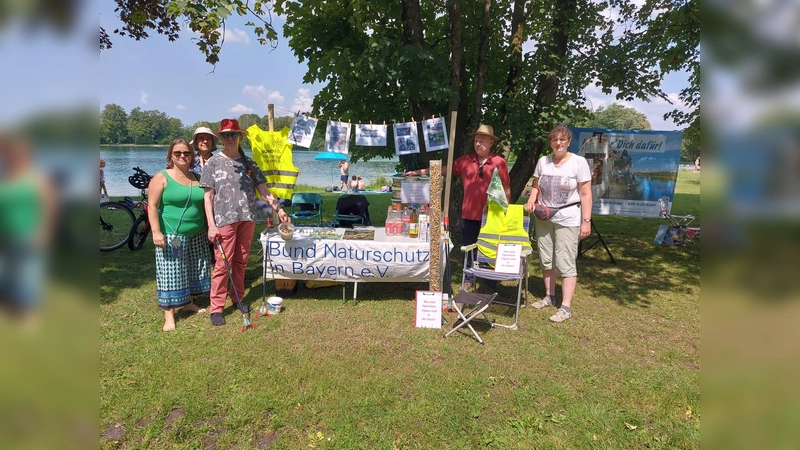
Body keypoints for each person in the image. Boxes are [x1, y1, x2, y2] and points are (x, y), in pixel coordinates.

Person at [200, 119, 291, 327]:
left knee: (241, 261)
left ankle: (238, 298)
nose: (229, 138)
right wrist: (212, 225)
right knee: (223, 264)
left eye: (233, 135)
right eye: (225, 135)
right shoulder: (213, 163)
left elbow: (264, 191)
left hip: (247, 218)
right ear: (221, 138)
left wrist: (279, 209)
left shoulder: (249, 164)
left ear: (240, 137)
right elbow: (208, 198)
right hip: (224, 220)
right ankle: (216, 308)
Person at [524, 124, 592, 323]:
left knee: (565, 261)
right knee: (546, 257)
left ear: (569, 141)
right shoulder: (543, 162)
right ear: (550, 142)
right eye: (555, 140)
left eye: (562, 139)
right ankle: (549, 296)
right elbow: (536, 186)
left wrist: (586, 221)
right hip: (544, 217)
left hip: (568, 219)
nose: (558, 143)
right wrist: (531, 200)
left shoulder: (579, 163)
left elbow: (586, 194)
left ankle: (565, 307)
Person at [147, 139, 210, 331]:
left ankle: (189, 303)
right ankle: (169, 315)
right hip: (173, 234)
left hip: (197, 233)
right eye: (178, 153)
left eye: (186, 153)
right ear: (170, 156)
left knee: (193, 268)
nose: (182, 156)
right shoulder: (162, 177)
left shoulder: (197, 177)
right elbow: (152, 206)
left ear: (192, 156)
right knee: (171, 272)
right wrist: (156, 232)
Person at [0, 134, 55, 328]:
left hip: (29, 233)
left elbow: (49, 207)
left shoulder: (37, 178)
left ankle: (29, 316)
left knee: (29, 274)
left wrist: (45, 231)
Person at [450, 124, 511, 289]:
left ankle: (490, 281)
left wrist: (506, 211)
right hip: (469, 215)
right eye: (476, 141)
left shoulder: (499, 162)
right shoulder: (465, 161)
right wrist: (419, 171)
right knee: (470, 248)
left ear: (491, 142)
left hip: (492, 216)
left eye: (482, 141)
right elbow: (446, 169)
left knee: (490, 249)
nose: (478, 144)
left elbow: (506, 189)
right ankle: (469, 277)